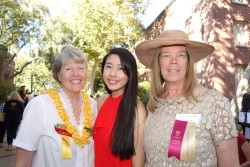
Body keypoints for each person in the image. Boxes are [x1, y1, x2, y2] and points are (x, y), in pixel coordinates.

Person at [135, 30, 239, 166]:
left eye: (181, 55)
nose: (174, 61)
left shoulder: (214, 103)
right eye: (166, 56)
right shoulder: (153, 105)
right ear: (158, 64)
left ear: (189, 62)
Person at [13, 46, 98, 167]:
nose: (76, 74)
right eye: (68, 69)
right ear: (58, 75)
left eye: (81, 68)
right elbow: (23, 160)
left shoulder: (93, 105)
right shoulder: (40, 105)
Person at [94, 48, 147, 167]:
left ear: (130, 73)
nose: (112, 73)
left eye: (121, 68)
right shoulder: (101, 102)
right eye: (108, 66)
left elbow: (138, 154)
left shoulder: (137, 108)